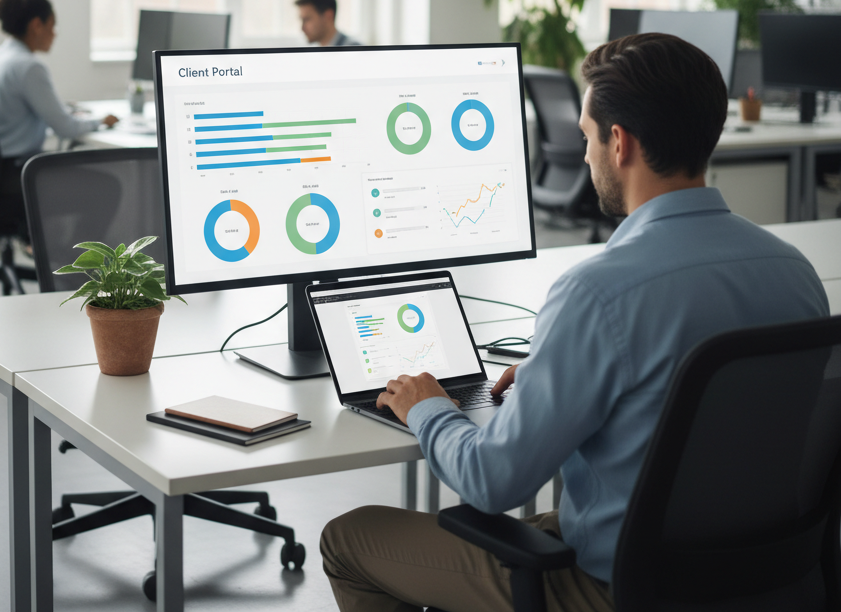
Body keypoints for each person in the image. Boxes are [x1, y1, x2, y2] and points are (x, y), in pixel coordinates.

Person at [320, 33, 829, 612]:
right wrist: (562, 370)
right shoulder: (795, 272)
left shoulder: (597, 293)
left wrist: (427, 407)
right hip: (772, 581)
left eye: (586, 136)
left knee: (349, 538)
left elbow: (491, 482)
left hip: (623, 591)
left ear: (620, 143)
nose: (584, 156)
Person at [0, 0, 119, 230]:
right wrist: (101, 121)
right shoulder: (29, 67)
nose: (55, 33)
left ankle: (51, 248)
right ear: (36, 25)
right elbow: (66, 128)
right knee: (107, 187)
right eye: (52, 25)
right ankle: (71, 255)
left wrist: (62, 111)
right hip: (14, 175)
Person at [296, 0, 361, 46]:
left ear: (328, 16)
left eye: (307, 19)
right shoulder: (315, 53)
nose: (302, 28)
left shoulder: (354, 50)